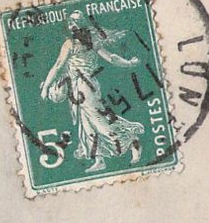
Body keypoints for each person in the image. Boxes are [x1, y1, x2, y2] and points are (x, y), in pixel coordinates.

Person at [40, 10, 143, 174]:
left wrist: (128, 63)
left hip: (85, 87)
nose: (72, 26)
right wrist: (128, 63)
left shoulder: (82, 42)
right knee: (86, 125)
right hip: (78, 87)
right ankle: (99, 159)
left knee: (98, 121)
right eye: (70, 23)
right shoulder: (78, 42)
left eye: (75, 22)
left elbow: (110, 57)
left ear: (80, 25)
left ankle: (131, 139)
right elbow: (60, 65)